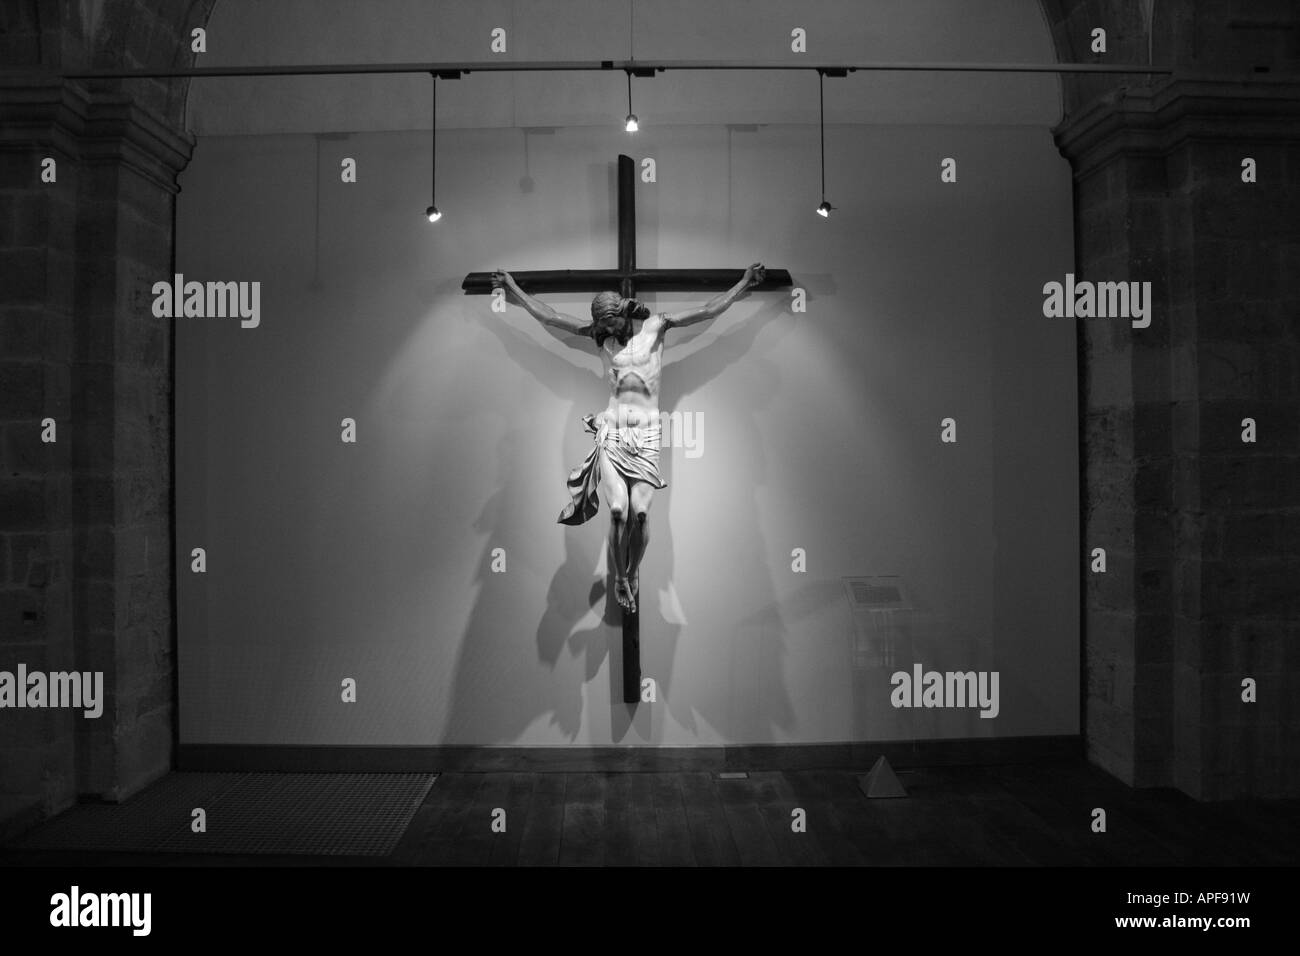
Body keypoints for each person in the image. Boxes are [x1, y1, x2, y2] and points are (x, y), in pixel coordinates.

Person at [491, 264, 767, 613]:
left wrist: (743, 282)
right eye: (603, 327)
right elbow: (550, 317)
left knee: (641, 515)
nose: (608, 331)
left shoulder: (656, 327)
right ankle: (620, 578)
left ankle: (632, 573)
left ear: (622, 313)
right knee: (619, 511)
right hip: (614, 432)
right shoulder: (601, 338)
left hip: (648, 435)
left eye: (611, 323)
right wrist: (513, 286)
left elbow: (709, 310)